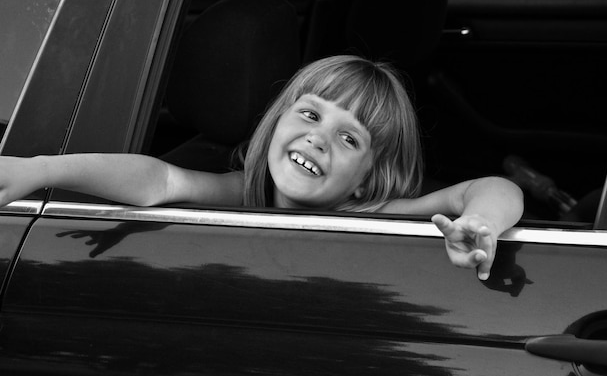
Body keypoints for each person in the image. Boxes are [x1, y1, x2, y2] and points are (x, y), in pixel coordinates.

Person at [0, 55, 523, 280]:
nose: (318, 138)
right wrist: (41, 169)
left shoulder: (375, 209)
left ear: (366, 176)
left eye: (347, 137)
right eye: (311, 114)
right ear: (277, 123)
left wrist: (484, 224)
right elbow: (159, 180)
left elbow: (490, 187)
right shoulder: (242, 192)